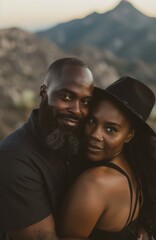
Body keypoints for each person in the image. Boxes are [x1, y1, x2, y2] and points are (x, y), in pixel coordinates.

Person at [58, 76, 156, 240]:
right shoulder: (133, 172)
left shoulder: (95, 183)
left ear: (129, 135)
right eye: (92, 121)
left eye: (111, 129)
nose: (95, 135)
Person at [0, 57, 94, 240]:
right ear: (43, 93)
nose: (77, 110)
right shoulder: (13, 158)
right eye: (67, 97)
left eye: (85, 102)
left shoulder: (84, 140)